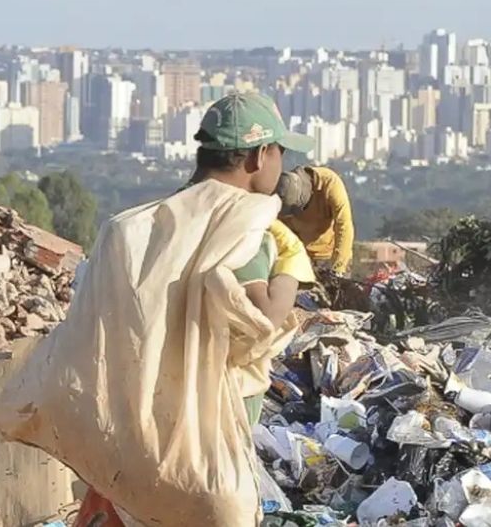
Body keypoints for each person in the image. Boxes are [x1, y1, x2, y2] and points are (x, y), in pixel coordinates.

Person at [72, 91, 315, 527]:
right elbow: (262, 319)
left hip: (135, 428)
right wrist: (291, 266)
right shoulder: (241, 226)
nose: (282, 165)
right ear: (260, 157)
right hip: (205, 439)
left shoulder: (141, 225)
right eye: (281, 152)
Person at [276, 165, 355, 275]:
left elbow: (344, 224)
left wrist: (338, 266)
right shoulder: (283, 192)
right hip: (301, 257)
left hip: (330, 255)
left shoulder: (330, 183)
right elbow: (279, 233)